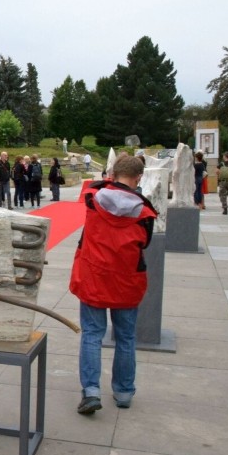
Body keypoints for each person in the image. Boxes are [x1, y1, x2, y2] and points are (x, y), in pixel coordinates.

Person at [70, 155, 157, 414]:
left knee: (92, 334)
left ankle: (91, 391)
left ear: (113, 173)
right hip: (126, 280)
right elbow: (145, 244)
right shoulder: (144, 213)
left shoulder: (93, 200)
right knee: (126, 337)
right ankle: (123, 391)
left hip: (95, 277)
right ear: (139, 177)